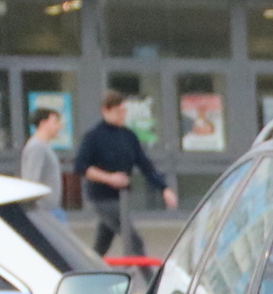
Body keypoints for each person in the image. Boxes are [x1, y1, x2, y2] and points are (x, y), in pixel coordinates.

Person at [70, 91, 175, 257]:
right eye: (119, 111)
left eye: (125, 111)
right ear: (106, 111)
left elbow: (145, 165)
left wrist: (164, 189)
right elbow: (80, 167)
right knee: (133, 241)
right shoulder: (94, 137)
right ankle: (150, 281)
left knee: (101, 245)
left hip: (121, 197)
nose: (123, 115)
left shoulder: (128, 136)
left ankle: (85, 273)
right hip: (101, 198)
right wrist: (108, 178)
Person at [18, 107, 64, 213]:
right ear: (43, 123)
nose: (59, 126)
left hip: (51, 209)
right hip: (43, 211)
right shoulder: (36, 147)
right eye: (55, 122)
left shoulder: (45, 146)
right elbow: (31, 181)